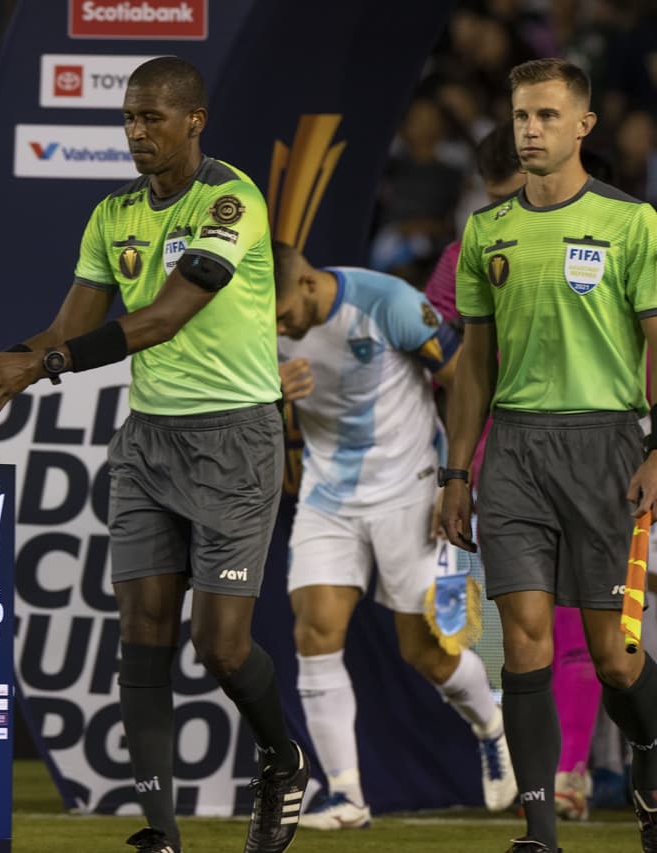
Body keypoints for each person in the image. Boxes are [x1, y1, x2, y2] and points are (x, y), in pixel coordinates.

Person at [0, 56, 308, 853]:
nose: (136, 132)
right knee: (142, 632)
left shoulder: (231, 199)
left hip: (235, 438)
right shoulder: (111, 214)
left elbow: (165, 316)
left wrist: (43, 368)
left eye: (152, 118)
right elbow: (64, 330)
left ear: (195, 120)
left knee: (219, 645)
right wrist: (2, 365)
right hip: (149, 442)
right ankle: (160, 829)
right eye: (128, 118)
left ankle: (282, 758)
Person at [441, 58, 657, 853]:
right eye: (521, 117)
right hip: (516, 452)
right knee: (524, 638)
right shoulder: (486, 231)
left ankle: (653, 761)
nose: (530, 130)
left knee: (615, 657)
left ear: (582, 126)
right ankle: (539, 833)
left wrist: (656, 448)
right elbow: (474, 365)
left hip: (606, 444)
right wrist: (458, 469)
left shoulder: (633, 223)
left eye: (545, 117)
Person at [273, 244, 517, 830]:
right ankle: (347, 796)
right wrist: (270, 394)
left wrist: (455, 480)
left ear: (308, 282)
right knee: (314, 630)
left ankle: (490, 725)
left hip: (410, 487)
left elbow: (465, 383)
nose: (278, 328)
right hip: (327, 495)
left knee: (425, 652)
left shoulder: (388, 302)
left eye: (283, 315)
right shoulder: (257, 326)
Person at [427, 125, 618, 822]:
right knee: (510, 634)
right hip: (494, 464)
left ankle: (569, 775)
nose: (516, 209)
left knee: (589, 637)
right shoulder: (470, 249)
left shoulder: (607, 235)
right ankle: (535, 774)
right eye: (503, 197)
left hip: (591, 455)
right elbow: (436, 349)